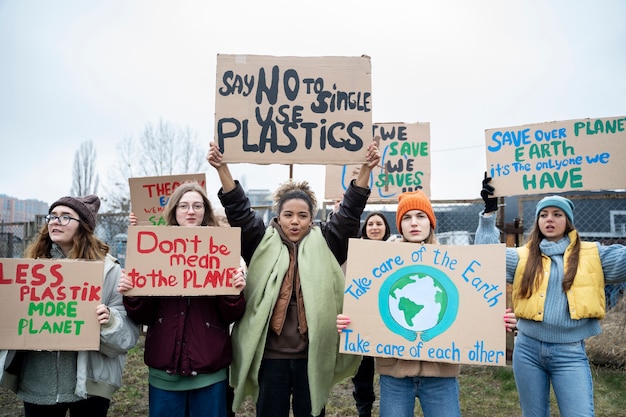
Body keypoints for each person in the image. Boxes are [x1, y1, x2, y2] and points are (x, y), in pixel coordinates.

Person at [207, 140, 380, 417]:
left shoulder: (327, 242)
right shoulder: (259, 242)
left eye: (302, 215)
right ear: (278, 216)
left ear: (312, 218)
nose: (295, 221)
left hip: (312, 357)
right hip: (270, 358)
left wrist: (366, 170)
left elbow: (349, 214)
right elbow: (238, 211)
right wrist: (222, 168)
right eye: (288, 215)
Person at [476, 175, 626, 417]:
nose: (550, 219)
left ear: (568, 221)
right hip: (527, 350)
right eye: (544, 214)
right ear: (537, 221)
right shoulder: (522, 256)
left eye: (557, 214)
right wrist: (489, 214)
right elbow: (486, 258)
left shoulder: (593, 254)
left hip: (570, 353)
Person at [0, 195, 140, 417]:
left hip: (89, 386)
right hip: (38, 384)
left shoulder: (108, 270)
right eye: (53, 216)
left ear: (83, 226)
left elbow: (127, 337)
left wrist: (109, 321)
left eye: (66, 217)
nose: (56, 221)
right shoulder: (27, 271)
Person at [118, 182, 247, 417]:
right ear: (174, 211)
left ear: (205, 211)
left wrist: (233, 292)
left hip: (209, 369)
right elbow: (143, 315)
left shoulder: (222, 251)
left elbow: (232, 315)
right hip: (164, 370)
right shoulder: (153, 251)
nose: (191, 211)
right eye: (184, 205)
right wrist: (134, 294)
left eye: (197, 206)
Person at [338, 190, 462, 417]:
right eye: (407, 217)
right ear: (399, 225)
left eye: (420, 216)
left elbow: (473, 308)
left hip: (441, 375)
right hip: (395, 376)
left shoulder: (456, 264)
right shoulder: (381, 262)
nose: (414, 223)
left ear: (431, 222)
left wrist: (495, 320)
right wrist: (350, 319)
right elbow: (364, 304)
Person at [350, 211, 391, 417]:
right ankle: (364, 409)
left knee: (390, 370)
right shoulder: (355, 251)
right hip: (364, 319)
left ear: (386, 228)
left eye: (379, 223)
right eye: (370, 224)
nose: (375, 227)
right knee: (362, 371)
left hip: (389, 318)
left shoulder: (398, 250)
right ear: (364, 228)